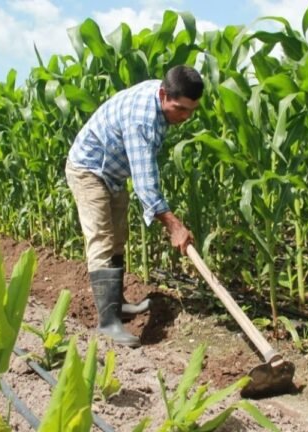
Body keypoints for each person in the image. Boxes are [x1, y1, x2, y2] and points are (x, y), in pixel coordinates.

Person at [65, 65, 204, 347]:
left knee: (118, 237)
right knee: (102, 239)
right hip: (89, 170)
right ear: (164, 94)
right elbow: (145, 181)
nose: (185, 117)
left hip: (114, 172)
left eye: (191, 111)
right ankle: (108, 323)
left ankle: (118, 305)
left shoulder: (162, 98)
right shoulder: (142, 118)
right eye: (180, 109)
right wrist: (174, 225)